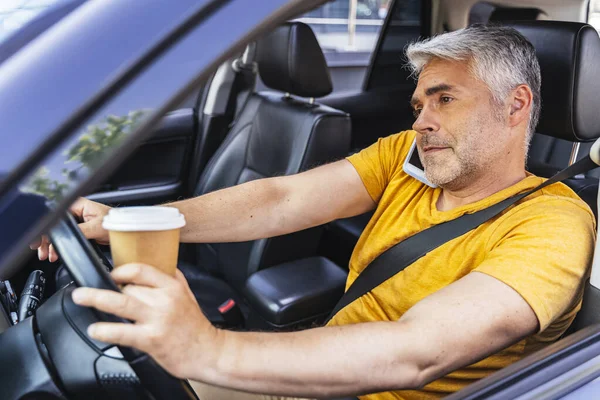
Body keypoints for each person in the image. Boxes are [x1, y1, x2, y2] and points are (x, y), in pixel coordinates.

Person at [32, 25, 596, 399]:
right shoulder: (408, 157)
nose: (422, 120)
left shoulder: (552, 223)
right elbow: (281, 199)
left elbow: (416, 352)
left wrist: (210, 348)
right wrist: (129, 221)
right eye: (419, 103)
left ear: (516, 103)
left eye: (445, 99)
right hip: (322, 369)